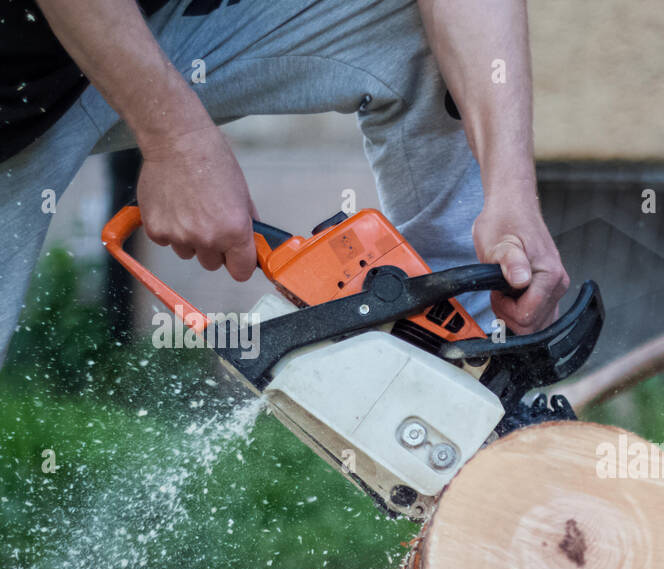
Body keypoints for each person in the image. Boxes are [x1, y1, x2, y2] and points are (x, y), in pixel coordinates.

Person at [0, 0, 569, 363]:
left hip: (145, 27)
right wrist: (178, 141)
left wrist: (511, 195)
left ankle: (462, 369)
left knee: (403, 22)